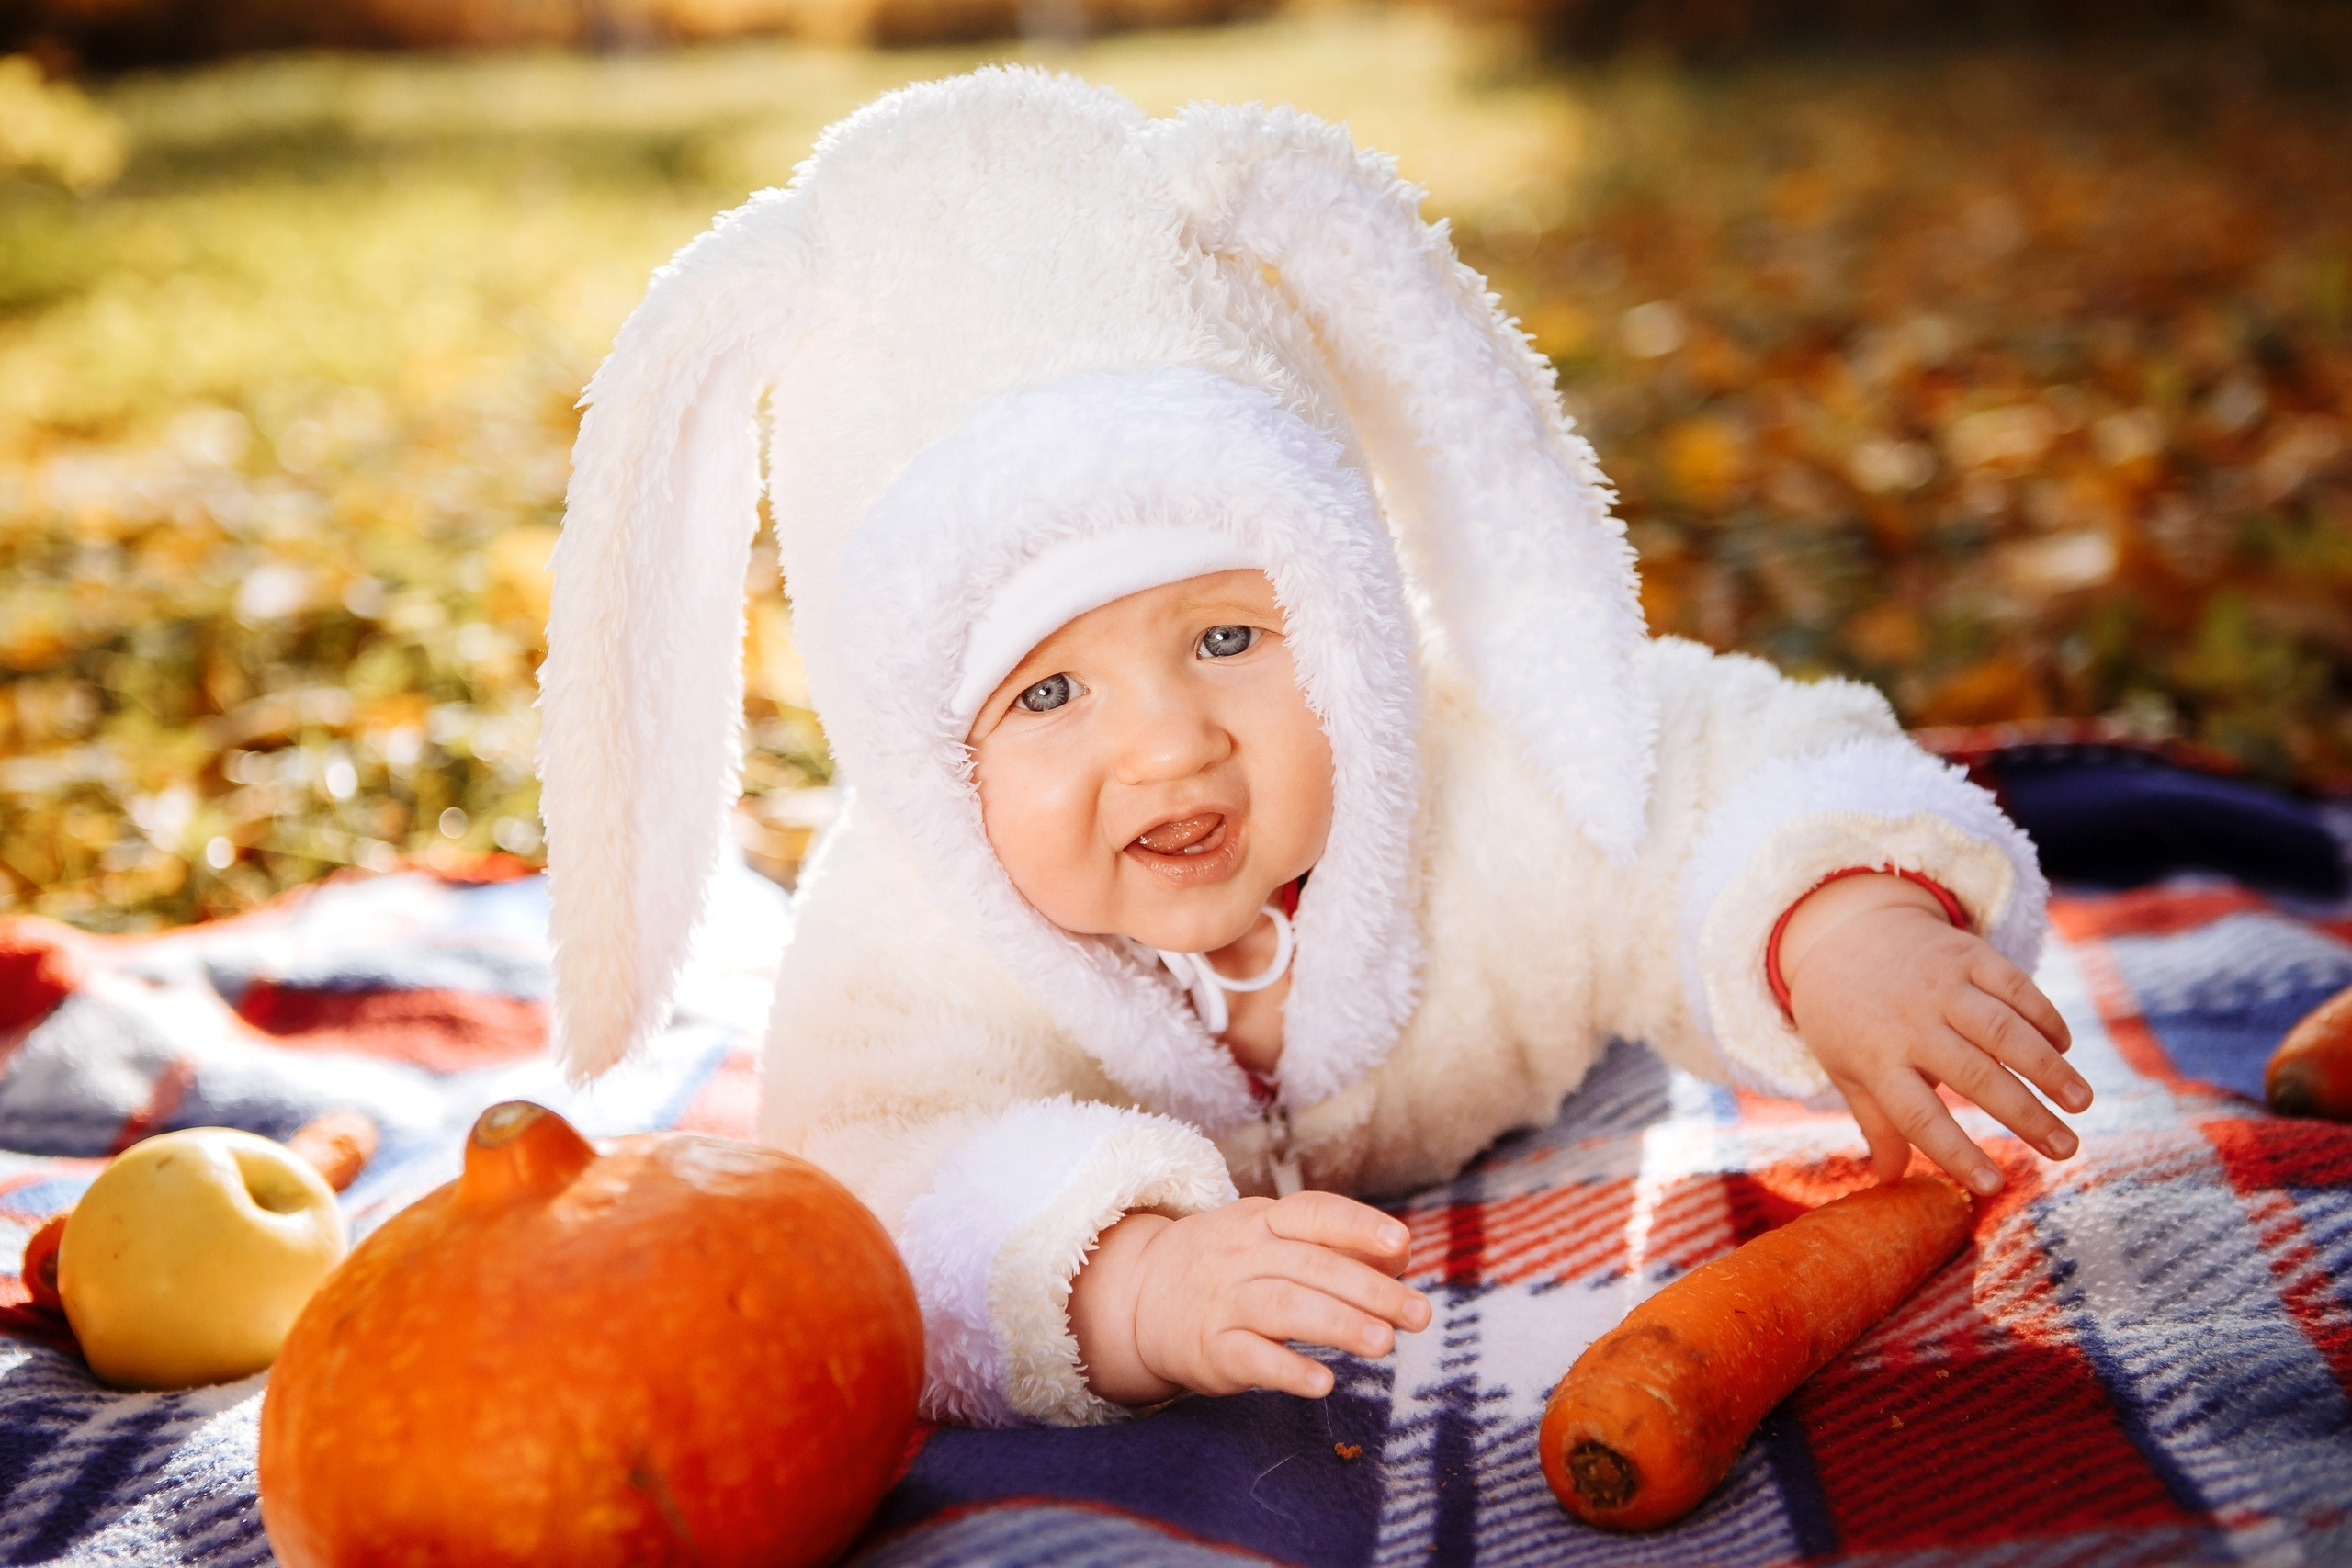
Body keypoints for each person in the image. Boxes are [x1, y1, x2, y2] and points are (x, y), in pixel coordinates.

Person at [537, 69, 2092, 1428]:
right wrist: (1126, 1281)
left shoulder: (1479, 768)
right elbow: (867, 1186)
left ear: (1344, 609)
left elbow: (1695, 767)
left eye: (1228, 638)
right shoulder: (914, 939)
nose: (1167, 747)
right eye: (1046, 695)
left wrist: (1845, 924)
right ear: (924, 749)